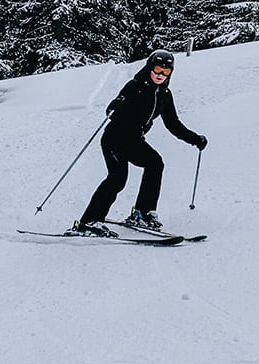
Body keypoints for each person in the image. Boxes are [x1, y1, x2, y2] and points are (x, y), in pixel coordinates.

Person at [71, 49, 207, 236]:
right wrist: (115, 108)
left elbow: (173, 124)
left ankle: (143, 212)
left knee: (155, 163)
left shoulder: (165, 95)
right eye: (158, 69)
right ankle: (89, 222)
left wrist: (195, 139)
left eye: (166, 72)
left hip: (134, 141)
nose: (160, 75)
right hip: (114, 139)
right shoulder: (134, 86)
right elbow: (113, 107)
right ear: (150, 67)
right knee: (117, 179)